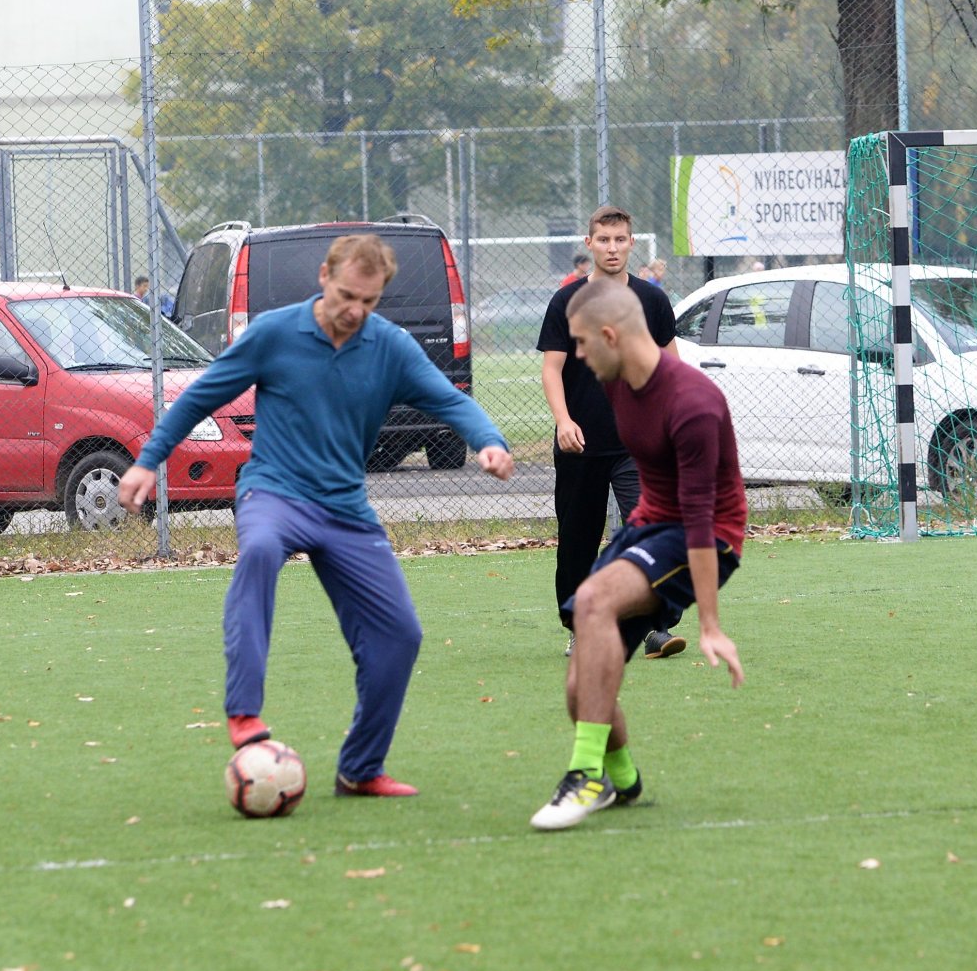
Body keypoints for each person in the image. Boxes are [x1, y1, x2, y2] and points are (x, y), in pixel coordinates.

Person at [117, 234, 514, 795]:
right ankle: (243, 711)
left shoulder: (390, 347)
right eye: (348, 295)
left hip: (345, 509)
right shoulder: (275, 333)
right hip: (273, 493)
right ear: (325, 275)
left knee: (400, 635)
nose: (356, 311)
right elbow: (198, 397)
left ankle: (361, 768)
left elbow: (449, 400)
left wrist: (487, 440)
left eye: (370, 302)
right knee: (257, 551)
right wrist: (147, 462)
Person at [530, 280, 747, 830]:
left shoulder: (693, 403)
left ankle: (586, 777)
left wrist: (710, 624)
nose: (576, 355)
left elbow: (699, 517)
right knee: (584, 688)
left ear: (609, 335)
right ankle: (623, 779)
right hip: (652, 523)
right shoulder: (616, 381)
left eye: (581, 343)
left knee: (596, 599)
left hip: (707, 535)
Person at [539, 206, 683, 659]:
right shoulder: (567, 302)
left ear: (632, 243)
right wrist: (564, 420)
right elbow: (551, 369)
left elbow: (670, 365)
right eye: (604, 240)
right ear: (590, 245)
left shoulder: (652, 301)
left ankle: (654, 627)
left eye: (620, 240)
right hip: (580, 444)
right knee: (577, 542)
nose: (613, 248)